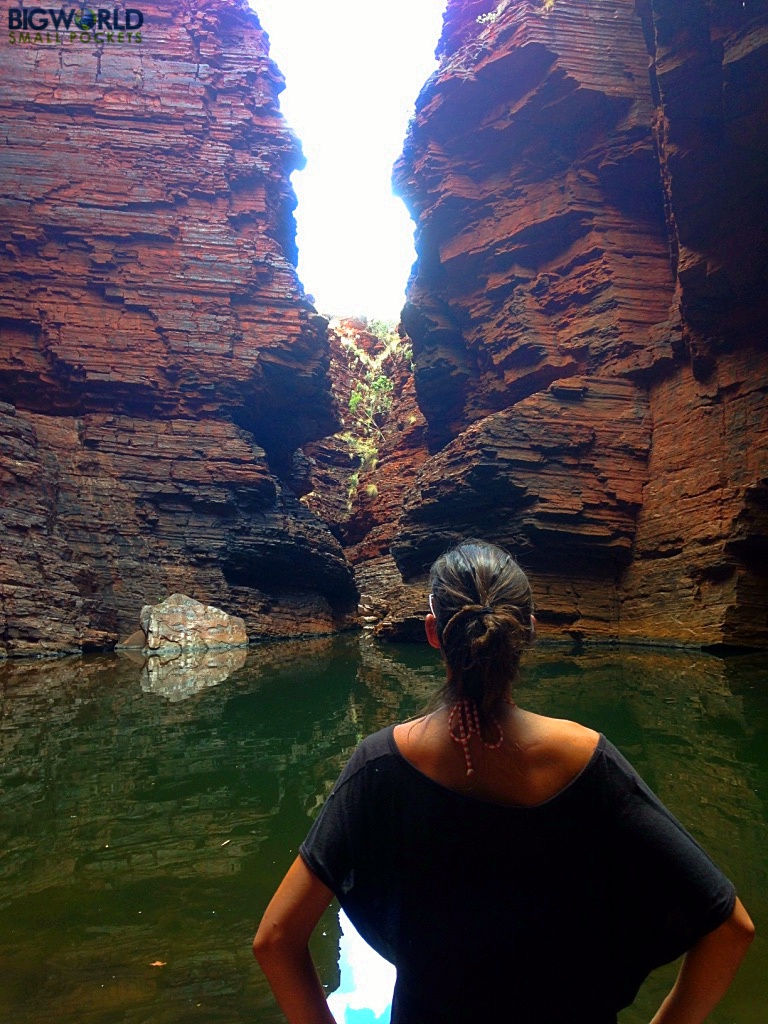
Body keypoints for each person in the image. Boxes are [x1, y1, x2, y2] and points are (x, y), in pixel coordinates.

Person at [254, 539, 754, 1023]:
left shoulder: (380, 763)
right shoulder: (589, 760)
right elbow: (730, 928)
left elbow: (275, 939)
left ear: (433, 632)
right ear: (529, 631)